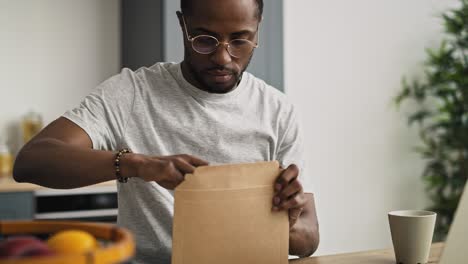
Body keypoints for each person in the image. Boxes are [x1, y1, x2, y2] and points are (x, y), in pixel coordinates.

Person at [13, 0, 319, 263]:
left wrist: (285, 225)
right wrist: (138, 164)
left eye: (240, 40)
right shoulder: (131, 93)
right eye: (205, 39)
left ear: (258, 27)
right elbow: (33, 161)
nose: (223, 58)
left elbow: (309, 239)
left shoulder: (278, 110)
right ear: (182, 24)